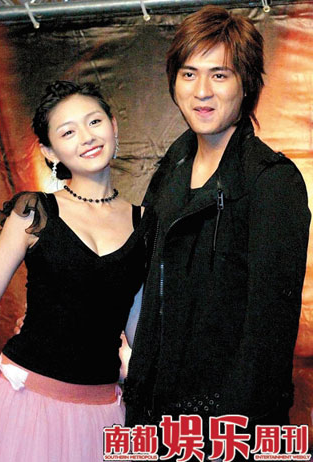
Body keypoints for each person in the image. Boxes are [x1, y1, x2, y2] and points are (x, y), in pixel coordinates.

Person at [0, 81, 149, 461]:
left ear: (114, 126)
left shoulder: (145, 223)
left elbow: (138, 328)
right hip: (21, 402)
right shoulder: (34, 212)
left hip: (100, 412)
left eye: (94, 121)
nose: (87, 137)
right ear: (49, 151)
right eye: (68, 132)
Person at [123, 5, 311, 458]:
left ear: (247, 84)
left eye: (219, 75)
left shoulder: (272, 181)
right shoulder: (171, 168)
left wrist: (231, 433)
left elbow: (268, 334)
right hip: (152, 414)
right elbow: (143, 282)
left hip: (226, 426)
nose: (201, 91)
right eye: (188, 74)